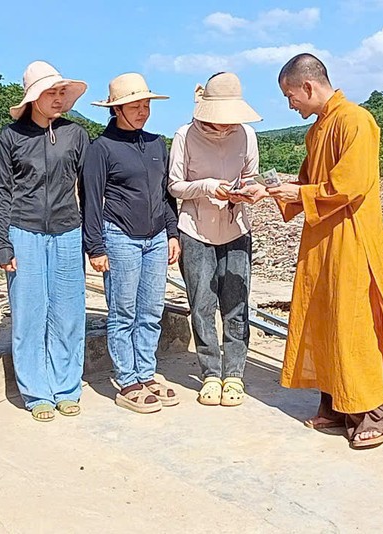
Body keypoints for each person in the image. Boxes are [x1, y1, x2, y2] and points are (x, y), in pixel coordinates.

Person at [267, 53, 383, 449]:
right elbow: (307, 182)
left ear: (308, 86)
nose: (290, 104)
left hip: (351, 238)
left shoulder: (355, 121)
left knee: (352, 319)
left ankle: (373, 412)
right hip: (321, 239)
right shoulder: (317, 131)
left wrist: (299, 193)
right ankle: (335, 403)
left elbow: (350, 184)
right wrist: (274, 190)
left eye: (290, 95)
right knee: (323, 315)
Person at [0, 61, 89, 423]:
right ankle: (36, 392)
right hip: (23, 230)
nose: (59, 99)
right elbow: (1, 192)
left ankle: (66, 388)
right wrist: (3, 242)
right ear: (34, 97)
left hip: (67, 230)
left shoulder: (75, 135)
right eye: (52, 92)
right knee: (30, 314)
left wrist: (91, 239)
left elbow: (88, 190)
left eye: (62, 92)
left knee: (68, 313)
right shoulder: (10, 137)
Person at [82, 73, 181, 414]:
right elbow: (92, 200)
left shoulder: (156, 144)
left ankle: (147, 373)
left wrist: (172, 233)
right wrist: (95, 247)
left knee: (152, 311)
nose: (143, 112)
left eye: (146, 105)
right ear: (116, 109)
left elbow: (165, 194)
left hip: (155, 237)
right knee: (123, 312)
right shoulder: (101, 148)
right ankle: (128, 381)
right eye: (135, 106)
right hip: (119, 236)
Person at [167, 72, 267, 407]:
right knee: (202, 303)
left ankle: (234, 374)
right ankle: (210, 372)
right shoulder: (184, 136)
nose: (225, 127)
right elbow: (175, 185)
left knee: (237, 302)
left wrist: (246, 192)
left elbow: (250, 176)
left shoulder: (247, 135)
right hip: (195, 230)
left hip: (236, 227)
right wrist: (208, 186)